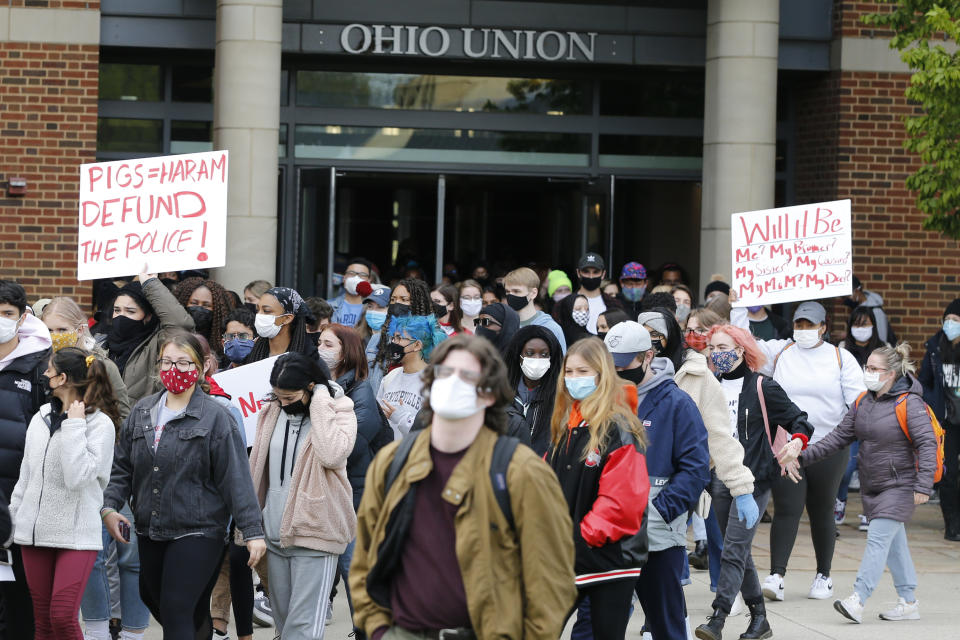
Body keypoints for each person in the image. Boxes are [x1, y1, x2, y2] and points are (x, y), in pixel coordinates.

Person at [350, 334, 577, 639]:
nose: (454, 383)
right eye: (445, 373)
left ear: (489, 394)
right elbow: (365, 559)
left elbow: (552, 581)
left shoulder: (523, 472)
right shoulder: (392, 462)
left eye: (468, 376)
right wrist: (378, 630)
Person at [101, 330, 265, 640]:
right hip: (151, 527)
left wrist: (252, 532)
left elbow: (236, 479)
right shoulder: (143, 411)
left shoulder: (216, 416)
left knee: (176, 608)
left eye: (184, 362)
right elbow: (123, 466)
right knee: (157, 599)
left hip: (199, 529)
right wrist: (109, 506)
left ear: (202, 366)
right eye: (167, 361)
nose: (174, 370)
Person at [779, 343, 936, 624]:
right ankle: (909, 601)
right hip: (873, 484)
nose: (868, 373)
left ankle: (858, 599)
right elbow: (837, 438)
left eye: (874, 369)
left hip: (899, 485)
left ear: (891, 374)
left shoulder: (909, 403)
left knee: (877, 540)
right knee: (894, 544)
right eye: (867, 367)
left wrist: (923, 486)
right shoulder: (864, 401)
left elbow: (927, 444)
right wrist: (801, 457)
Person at [731, 299, 866, 601]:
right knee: (787, 508)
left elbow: (857, 401)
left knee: (821, 509)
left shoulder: (840, 358)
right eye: (799, 324)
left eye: (810, 324)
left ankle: (824, 575)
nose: (803, 329)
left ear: (823, 327)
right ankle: (777, 575)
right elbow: (743, 342)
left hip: (828, 445)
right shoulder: (780, 352)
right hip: (786, 445)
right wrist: (739, 305)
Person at [694, 325, 814, 640]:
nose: (716, 353)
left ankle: (717, 619)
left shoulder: (762, 387)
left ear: (741, 350)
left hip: (755, 480)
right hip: (719, 477)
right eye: (712, 347)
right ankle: (760, 619)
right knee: (738, 549)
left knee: (733, 548)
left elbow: (799, 420)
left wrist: (797, 442)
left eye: (723, 347)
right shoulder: (711, 386)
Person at [602, 320, 711, 640]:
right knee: (597, 622)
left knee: (665, 621)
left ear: (648, 356)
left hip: (658, 534)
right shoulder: (601, 400)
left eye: (625, 365)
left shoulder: (677, 403)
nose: (617, 371)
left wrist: (658, 512)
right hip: (606, 529)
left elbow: (695, 469)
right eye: (612, 365)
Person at [638, 309, 758, 593]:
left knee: (674, 554)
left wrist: (741, 487)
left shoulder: (698, 375)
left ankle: (708, 603)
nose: (652, 342)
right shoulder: (628, 371)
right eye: (645, 336)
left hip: (680, 481)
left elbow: (718, 433)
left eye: (658, 335)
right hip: (634, 478)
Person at [8, 347, 118, 640]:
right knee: (42, 622)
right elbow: (26, 476)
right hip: (33, 533)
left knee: (62, 617)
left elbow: (77, 477)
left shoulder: (100, 424)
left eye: (49, 371)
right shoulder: (41, 417)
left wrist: (74, 424)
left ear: (63, 378)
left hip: (76, 536)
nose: (44, 376)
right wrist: (13, 520)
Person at [546, 337, 650, 639]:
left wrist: (575, 540)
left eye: (583, 371)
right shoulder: (567, 425)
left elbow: (621, 506)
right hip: (573, 551)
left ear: (602, 374)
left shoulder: (618, 427)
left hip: (611, 557)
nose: (574, 379)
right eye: (570, 371)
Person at [248, 353, 357, 639]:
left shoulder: (339, 409)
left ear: (311, 387)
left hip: (316, 534)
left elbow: (332, 454)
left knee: (303, 629)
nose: (283, 404)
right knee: (284, 628)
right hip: (274, 535)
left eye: (289, 397)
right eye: (277, 396)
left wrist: (321, 398)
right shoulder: (272, 410)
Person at [0, 279, 52, 639]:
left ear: (22, 319)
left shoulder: (39, 370)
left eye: (7, 314)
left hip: (19, 505)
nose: (1, 320)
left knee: (20, 607)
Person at [100, 271, 196, 401]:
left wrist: (150, 284)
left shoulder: (157, 345)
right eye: (117, 310)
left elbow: (181, 324)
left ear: (148, 316)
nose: (121, 316)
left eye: (130, 311)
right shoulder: (100, 344)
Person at [836, 306, 888, 526]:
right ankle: (839, 502)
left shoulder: (884, 350)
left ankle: (870, 511)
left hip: (878, 416)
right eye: (857, 324)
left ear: (873, 326)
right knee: (847, 467)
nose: (861, 329)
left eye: (865, 324)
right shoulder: (841, 350)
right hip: (851, 416)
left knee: (872, 466)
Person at [41, 297, 131, 419]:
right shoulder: (40, 363)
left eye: (62, 330)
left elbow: (122, 415)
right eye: (49, 330)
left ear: (80, 330)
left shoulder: (103, 366)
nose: (55, 336)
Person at [919, 298, 960, 540]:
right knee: (949, 473)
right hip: (946, 422)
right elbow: (924, 381)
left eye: (956, 320)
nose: (950, 324)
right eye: (948, 320)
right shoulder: (935, 348)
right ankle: (951, 525)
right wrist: (932, 407)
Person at [377, 315, 445, 440]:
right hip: (388, 455)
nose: (394, 343)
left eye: (399, 338)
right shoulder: (391, 376)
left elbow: (433, 432)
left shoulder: (435, 381)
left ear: (417, 345)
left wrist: (402, 418)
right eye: (393, 338)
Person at [503, 326, 564, 456]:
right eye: (530, 353)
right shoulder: (502, 394)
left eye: (544, 354)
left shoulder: (560, 398)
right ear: (519, 356)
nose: (537, 359)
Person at [368, 279, 434, 393]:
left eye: (404, 299)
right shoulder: (377, 340)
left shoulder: (434, 340)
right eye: (393, 300)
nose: (397, 303)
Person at [555, 252, 622, 337]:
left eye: (596, 272)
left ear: (603, 274)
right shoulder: (562, 305)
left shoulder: (615, 304)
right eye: (586, 272)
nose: (591, 276)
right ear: (578, 273)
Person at [172, 277, 236, 366]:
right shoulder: (171, 335)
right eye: (194, 303)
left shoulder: (224, 342)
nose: (199, 308)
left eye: (206, 305)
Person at [247, 286, 318, 363]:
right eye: (258, 310)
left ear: (287, 318)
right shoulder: (253, 351)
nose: (259, 315)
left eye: (266, 311)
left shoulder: (310, 360)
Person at [503, 267, 567, 352]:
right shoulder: (503, 327)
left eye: (516, 291)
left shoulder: (551, 328)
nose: (510, 296)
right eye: (507, 292)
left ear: (533, 293)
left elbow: (560, 362)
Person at [844, 276, 895, 344]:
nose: (848, 298)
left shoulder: (876, 310)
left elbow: (882, 337)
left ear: (856, 291)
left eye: (848, 294)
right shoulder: (858, 307)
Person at [330, 258, 375, 327]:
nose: (356, 278)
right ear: (344, 278)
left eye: (362, 275)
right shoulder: (328, 306)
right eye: (351, 273)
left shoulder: (375, 310)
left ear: (369, 280)